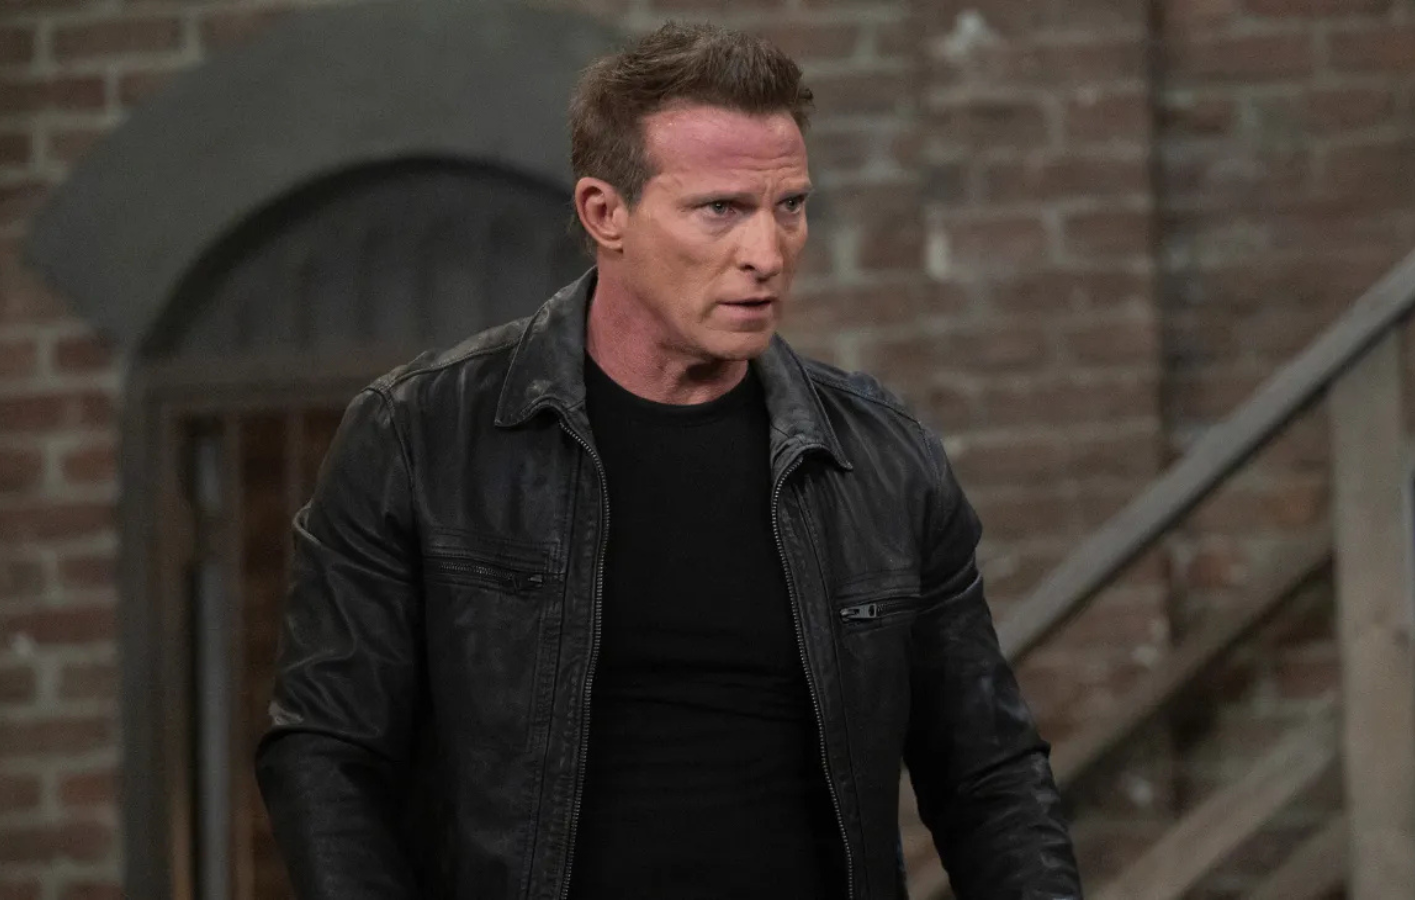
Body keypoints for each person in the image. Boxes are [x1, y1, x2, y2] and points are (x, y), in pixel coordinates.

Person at [256, 21, 1081, 900]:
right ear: (604, 213)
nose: (766, 253)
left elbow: (989, 773)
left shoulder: (882, 457)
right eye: (720, 209)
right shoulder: (421, 435)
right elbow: (327, 751)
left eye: (789, 206)